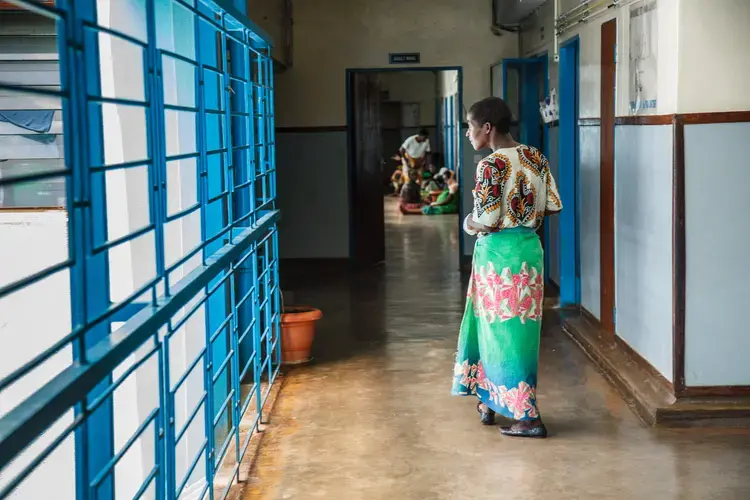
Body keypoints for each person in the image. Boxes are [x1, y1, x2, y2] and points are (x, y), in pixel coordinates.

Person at [451, 96, 562, 438]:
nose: (468, 134)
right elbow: (552, 206)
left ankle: (527, 417)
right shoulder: (535, 157)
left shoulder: (491, 166)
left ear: (487, 128)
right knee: (515, 333)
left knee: (496, 331)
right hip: (528, 252)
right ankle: (491, 402)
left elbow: (486, 220)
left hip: (497, 258)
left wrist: (468, 222)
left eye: (470, 127)